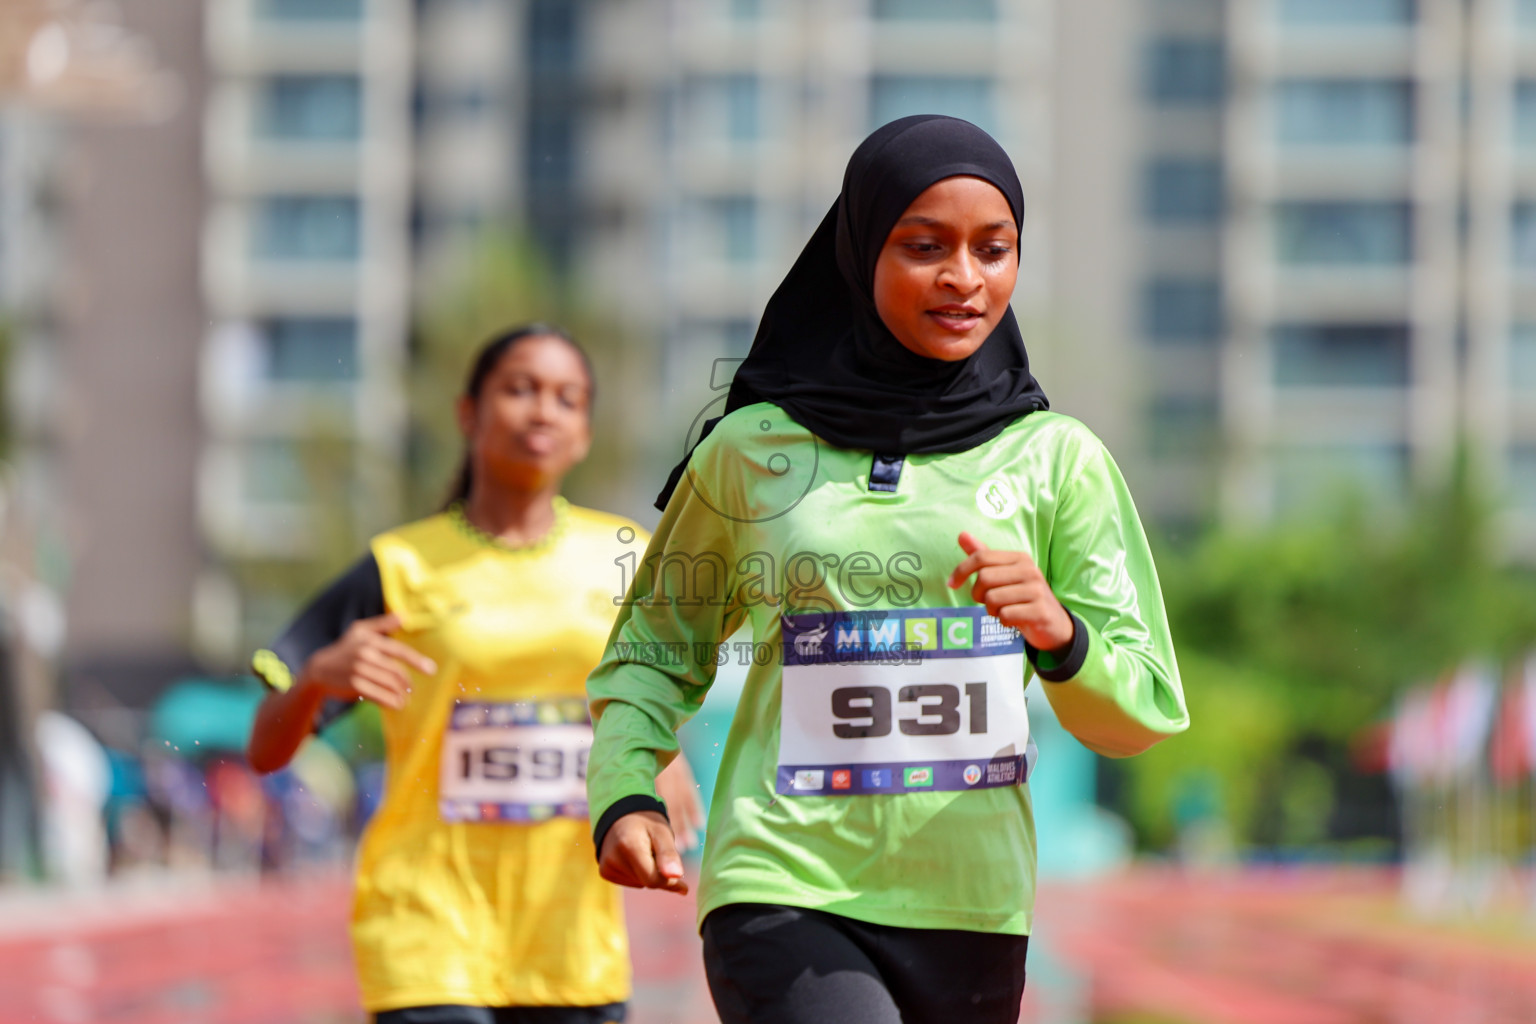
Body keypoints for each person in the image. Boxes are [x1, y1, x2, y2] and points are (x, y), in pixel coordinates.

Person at [585, 116, 1191, 1024]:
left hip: (973, 906)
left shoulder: (1058, 461)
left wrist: (1062, 639)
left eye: (994, 250)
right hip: (783, 883)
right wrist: (626, 785)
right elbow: (650, 653)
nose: (963, 278)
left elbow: (1140, 711)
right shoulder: (752, 454)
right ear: (861, 251)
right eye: (924, 247)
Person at [245, 324, 705, 1024]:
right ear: (468, 413)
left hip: (570, 942)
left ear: (585, 430)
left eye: (567, 398)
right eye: (520, 389)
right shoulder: (400, 566)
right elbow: (265, 750)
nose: (543, 411)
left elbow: (659, 692)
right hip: (424, 922)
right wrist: (313, 680)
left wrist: (663, 754)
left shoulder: (624, 555)